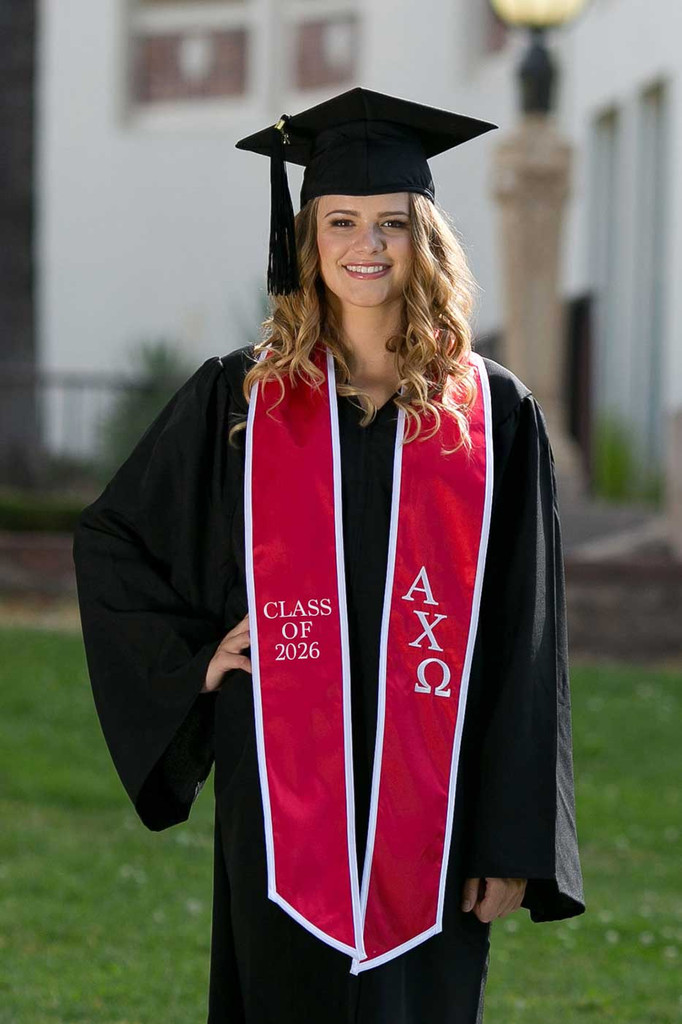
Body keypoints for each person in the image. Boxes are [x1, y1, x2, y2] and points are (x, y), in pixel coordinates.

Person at [72, 87, 585, 1024]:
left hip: (439, 801)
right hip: (281, 795)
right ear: (307, 239)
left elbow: (528, 632)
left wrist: (514, 838)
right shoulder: (240, 400)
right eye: (342, 221)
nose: (368, 246)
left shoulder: (492, 413)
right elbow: (116, 540)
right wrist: (198, 661)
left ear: (424, 239)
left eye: (392, 223)